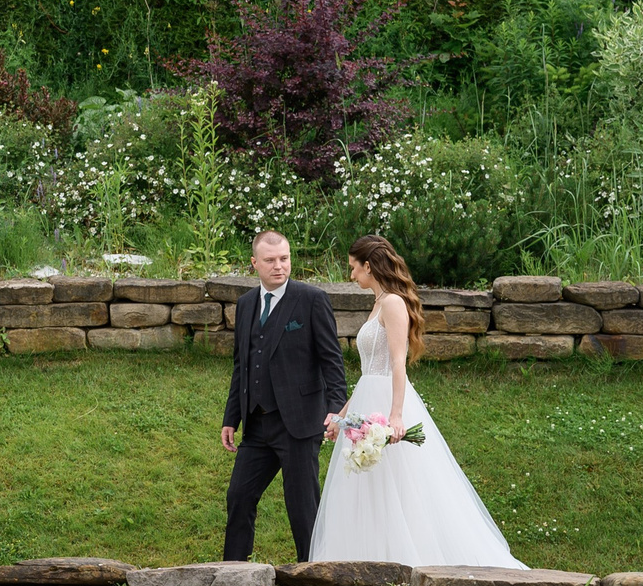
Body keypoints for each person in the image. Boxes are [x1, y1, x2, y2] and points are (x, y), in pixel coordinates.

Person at [307, 232, 522, 567]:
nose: (351, 276)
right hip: (367, 401)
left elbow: (396, 362)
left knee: (398, 488)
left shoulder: (392, 303)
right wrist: (342, 417)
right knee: (367, 491)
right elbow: (368, 372)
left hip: (386, 405)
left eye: (353, 268)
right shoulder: (377, 304)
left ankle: (407, 561)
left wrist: (395, 416)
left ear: (368, 266)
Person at [220, 229, 349, 562]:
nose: (279, 266)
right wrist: (231, 418)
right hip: (257, 425)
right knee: (239, 496)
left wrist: (336, 410)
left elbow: (332, 360)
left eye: (284, 259)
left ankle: (314, 576)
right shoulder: (246, 305)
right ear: (254, 264)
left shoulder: (311, 299)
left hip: (301, 422)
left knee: (302, 508)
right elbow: (242, 366)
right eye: (270, 260)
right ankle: (233, 575)